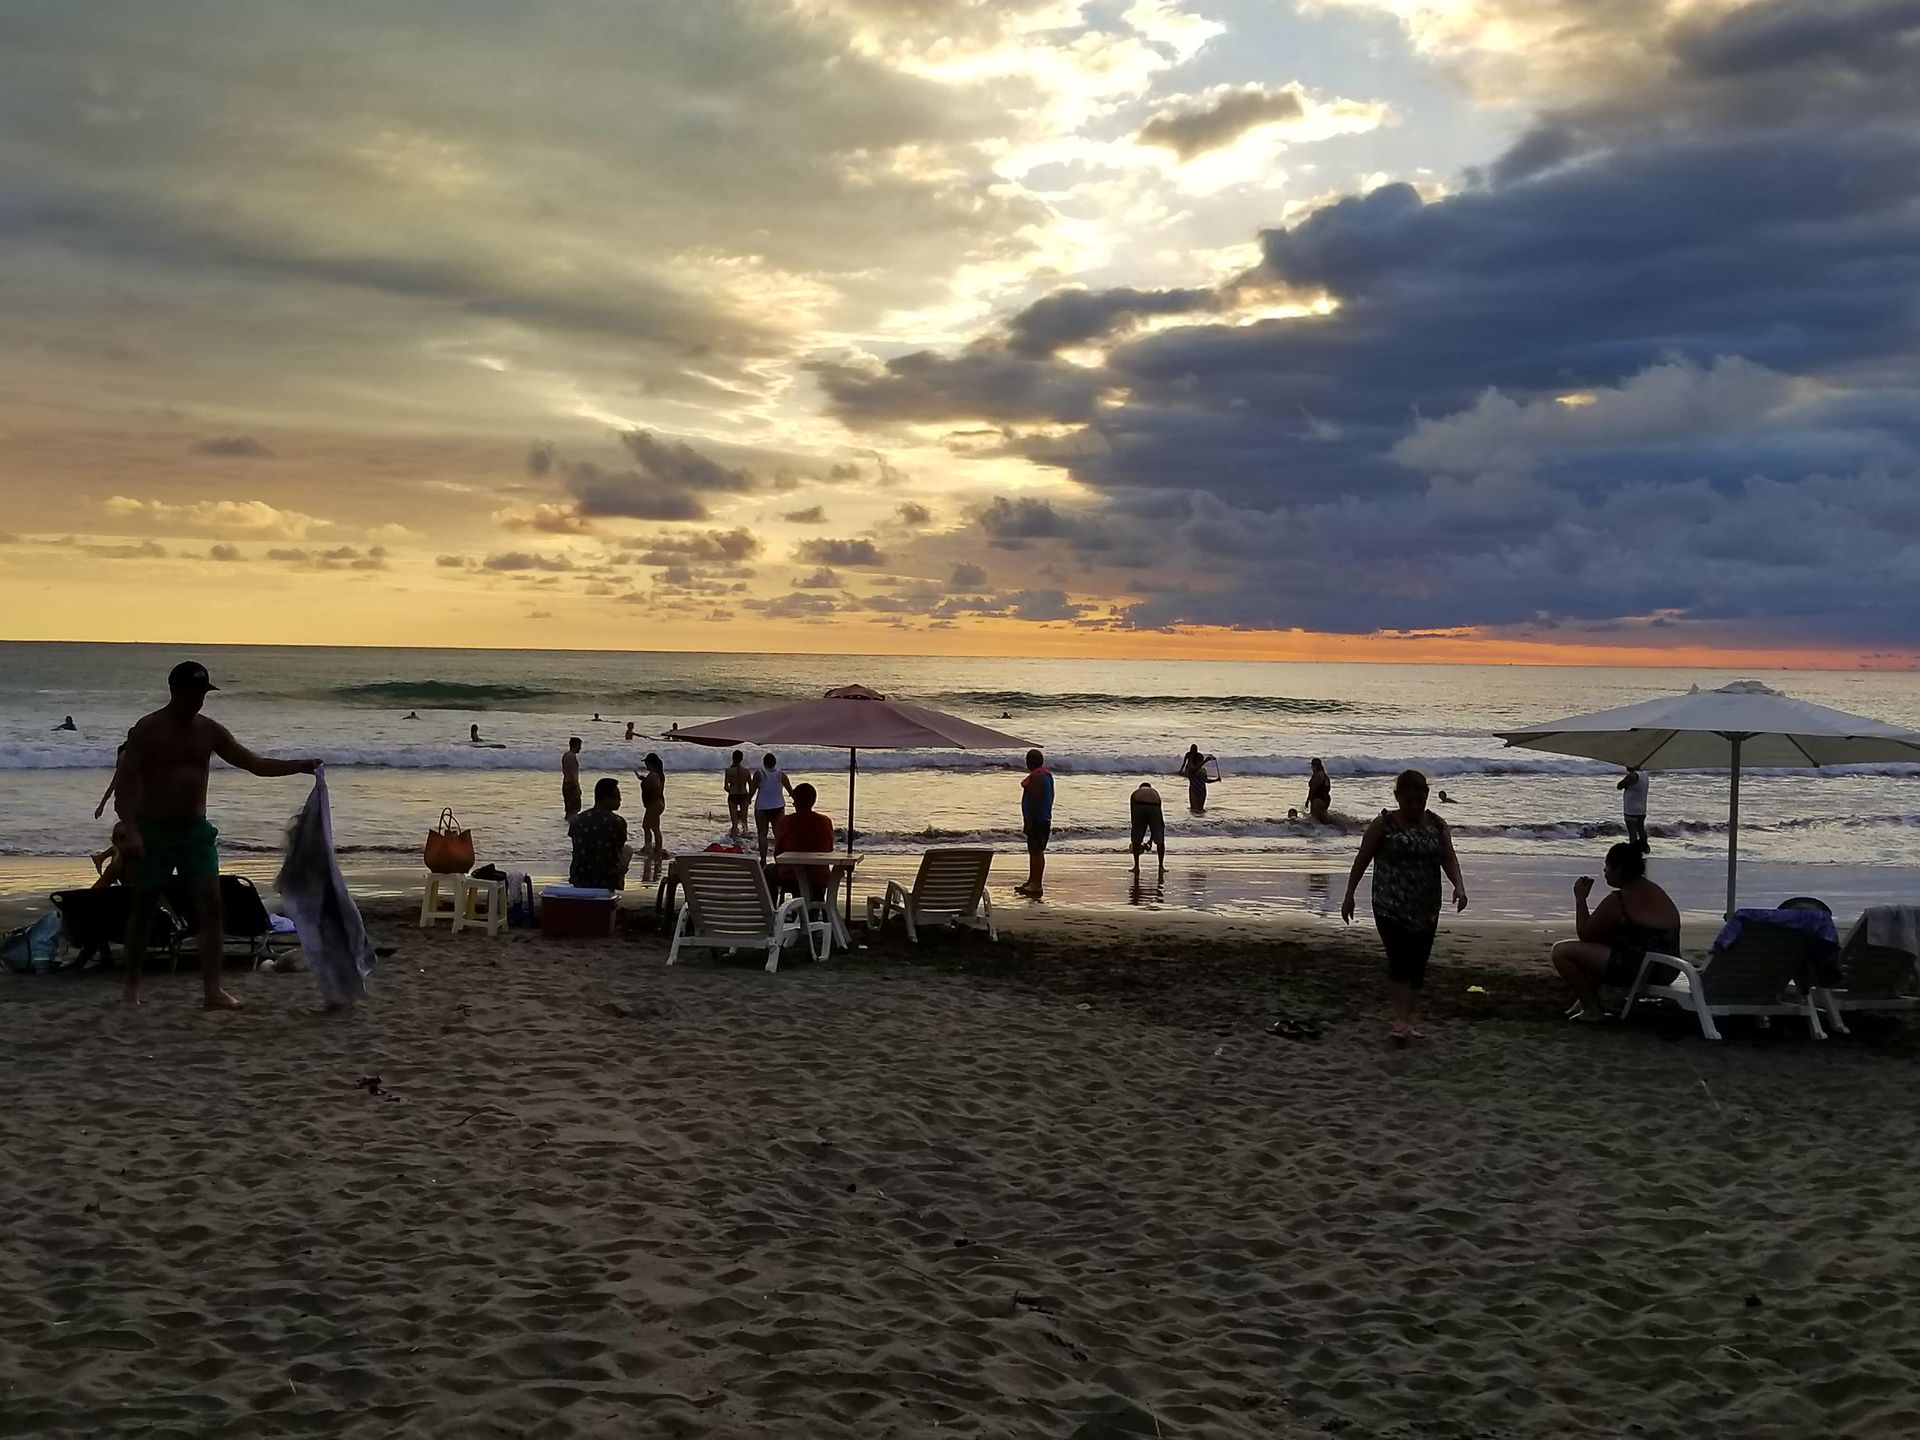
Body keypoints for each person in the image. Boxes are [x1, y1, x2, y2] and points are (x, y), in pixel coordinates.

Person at [112, 661, 320, 1008]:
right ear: (176, 691)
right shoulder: (148, 729)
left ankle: (213, 990)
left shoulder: (209, 731)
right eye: (194, 692)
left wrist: (298, 766)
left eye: (203, 693)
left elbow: (252, 763)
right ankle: (131, 987)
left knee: (211, 905)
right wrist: (131, 830)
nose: (199, 700)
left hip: (195, 833)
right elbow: (125, 783)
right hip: (153, 831)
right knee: (145, 908)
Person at [1340, 768, 1467, 1043]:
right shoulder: (1383, 824)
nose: (1414, 806)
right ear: (1398, 797)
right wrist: (1349, 895)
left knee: (1418, 963)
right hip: (1389, 903)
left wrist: (1459, 886)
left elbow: (1449, 858)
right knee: (1399, 960)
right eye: (1409, 801)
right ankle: (1399, 1020)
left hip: (1426, 903)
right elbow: (1362, 859)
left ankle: (1409, 1019)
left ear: (1427, 797)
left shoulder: (1437, 825)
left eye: (1419, 801)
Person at [1550, 843, 1681, 1022]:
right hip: (1668, 968)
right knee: (1604, 941)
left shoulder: (1619, 899)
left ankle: (1591, 1008)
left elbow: (1585, 934)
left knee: (1560, 952)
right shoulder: (1654, 890)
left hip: (1643, 969)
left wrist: (1581, 898)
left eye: (1607, 866)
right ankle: (1585, 1001)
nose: (1604, 871)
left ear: (1618, 870)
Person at [568, 777, 632, 890]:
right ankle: (618, 885)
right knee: (628, 849)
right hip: (607, 879)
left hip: (580, 878)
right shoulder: (618, 822)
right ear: (605, 798)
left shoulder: (578, 820)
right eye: (617, 796)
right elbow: (619, 847)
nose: (620, 799)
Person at [773, 782, 836, 898]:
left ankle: (771, 909)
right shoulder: (825, 822)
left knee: (768, 871)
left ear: (796, 801)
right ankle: (816, 903)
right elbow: (829, 850)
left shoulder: (786, 822)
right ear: (813, 801)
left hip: (790, 875)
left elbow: (778, 854)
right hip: (819, 875)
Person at [1015, 748, 1053, 898]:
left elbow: (1035, 799)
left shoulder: (1038, 777)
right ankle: (1032, 881)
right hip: (1043, 818)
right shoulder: (1046, 775)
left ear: (1030, 762)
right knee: (1034, 851)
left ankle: (1036, 884)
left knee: (1036, 851)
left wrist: (1029, 819)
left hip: (1038, 819)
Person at [750, 752, 793, 862]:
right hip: (778, 806)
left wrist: (747, 800)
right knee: (778, 835)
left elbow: (752, 790)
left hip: (762, 806)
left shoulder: (759, 774)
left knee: (762, 834)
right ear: (775, 763)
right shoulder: (781, 774)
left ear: (764, 763)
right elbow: (790, 790)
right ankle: (778, 859)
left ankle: (763, 860)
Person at [636, 752, 666, 858]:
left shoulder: (653, 775)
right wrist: (644, 780)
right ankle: (656, 849)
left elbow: (654, 787)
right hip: (658, 803)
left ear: (651, 764)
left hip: (654, 803)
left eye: (647, 763)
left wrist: (644, 783)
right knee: (654, 827)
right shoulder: (659, 774)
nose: (646, 765)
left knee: (648, 826)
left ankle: (651, 848)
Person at [1129, 781, 1165, 870]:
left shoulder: (1135, 793)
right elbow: (1159, 820)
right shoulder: (1155, 793)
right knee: (1159, 838)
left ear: (1140, 787)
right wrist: (1151, 840)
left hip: (1139, 804)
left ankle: (1136, 866)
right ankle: (1161, 866)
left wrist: (1136, 830)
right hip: (1155, 806)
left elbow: (1133, 814)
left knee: (1136, 840)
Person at [1618, 766, 1650, 854]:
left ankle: (1633, 851)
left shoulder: (1632, 776)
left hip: (1631, 809)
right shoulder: (1644, 774)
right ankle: (1644, 847)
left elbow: (1619, 786)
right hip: (1642, 808)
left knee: (1632, 831)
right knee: (1641, 829)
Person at [1177, 744, 1217, 812]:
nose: (1201, 760)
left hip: (1202, 791)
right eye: (1199, 760)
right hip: (1194, 791)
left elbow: (1205, 780)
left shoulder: (1203, 770)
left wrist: (1216, 780)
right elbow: (1194, 768)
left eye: (1201, 759)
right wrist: (1205, 761)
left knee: (1200, 810)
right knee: (1194, 810)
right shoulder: (1191, 767)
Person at [723, 750, 753, 839]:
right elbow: (751, 786)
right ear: (742, 759)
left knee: (734, 821)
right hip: (743, 795)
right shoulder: (746, 771)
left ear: (733, 758)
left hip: (733, 795)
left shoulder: (728, 771)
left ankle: (734, 839)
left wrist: (731, 790)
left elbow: (725, 787)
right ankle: (746, 837)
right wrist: (750, 797)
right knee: (744, 820)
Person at [561, 737, 583, 819]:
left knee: (569, 810)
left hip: (566, 784)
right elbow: (573, 774)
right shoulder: (571, 757)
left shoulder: (566, 755)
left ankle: (567, 826)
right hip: (571, 785)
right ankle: (571, 827)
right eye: (579, 745)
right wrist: (578, 787)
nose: (580, 748)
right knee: (574, 810)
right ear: (575, 745)